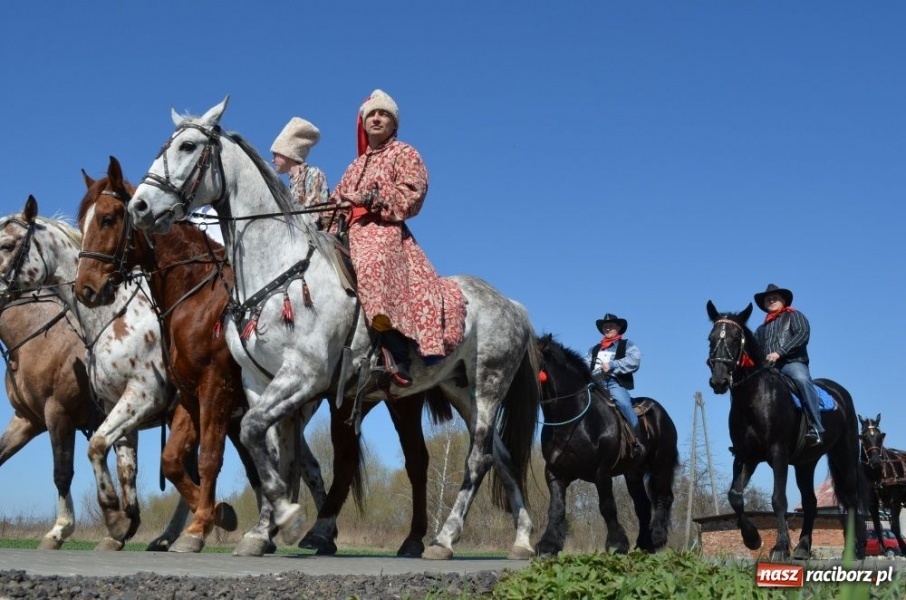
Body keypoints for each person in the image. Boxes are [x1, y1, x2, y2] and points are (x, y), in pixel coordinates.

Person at [329, 89, 450, 387]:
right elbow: (336, 200)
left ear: (394, 124)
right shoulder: (355, 166)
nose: (377, 118)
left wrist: (369, 198)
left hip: (382, 228)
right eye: (372, 114)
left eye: (383, 114)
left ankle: (397, 351)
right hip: (346, 231)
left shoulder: (405, 153)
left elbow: (412, 194)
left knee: (372, 262)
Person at [753, 283, 824, 445]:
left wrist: (780, 352)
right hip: (768, 369)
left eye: (775, 298)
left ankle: (816, 427)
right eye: (768, 299)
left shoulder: (795, 316)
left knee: (802, 380)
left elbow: (802, 334)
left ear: (783, 301)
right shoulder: (760, 329)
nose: (771, 301)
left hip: (792, 363)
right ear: (764, 304)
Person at [588, 313, 644, 458]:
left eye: (611, 326)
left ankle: (636, 440)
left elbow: (635, 360)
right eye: (605, 327)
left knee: (623, 402)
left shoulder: (627, 345)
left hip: (614, 382)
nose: (607, 328)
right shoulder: (594, 349)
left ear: (618, 328)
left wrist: (612, 365)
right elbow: (585, 363)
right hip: (596, 383)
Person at [271, 117, 330, 227]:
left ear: (287, 153)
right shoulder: (291, 185)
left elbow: (315, 214)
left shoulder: (314, 174)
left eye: (275, 154)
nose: (272, 160)